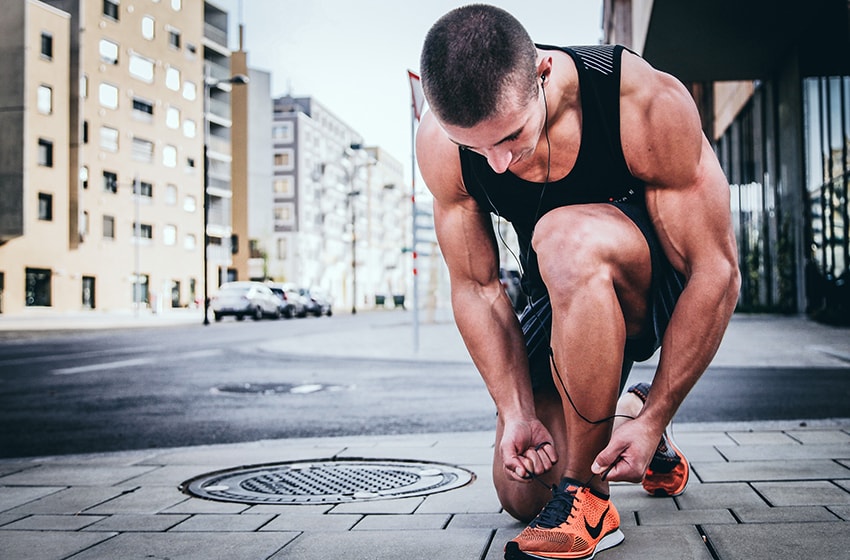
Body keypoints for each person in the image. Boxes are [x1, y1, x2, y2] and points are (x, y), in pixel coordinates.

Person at [415, 5, 740, 559]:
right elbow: (477, 287)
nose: (496, 164)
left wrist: (666, 404)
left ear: (542, 74)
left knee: (562, 236)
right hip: (559, 295)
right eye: (476, 148)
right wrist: (515, 410)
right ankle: (628, 419)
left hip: (647, 287)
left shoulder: (638, 100)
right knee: (521, 490)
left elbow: (717, 271)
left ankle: (589, 500)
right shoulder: (442, 141)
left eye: (511, 136)